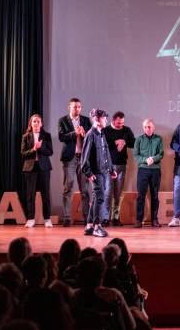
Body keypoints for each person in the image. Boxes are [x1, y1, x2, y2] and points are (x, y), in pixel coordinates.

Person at [57, 98, 92, 227]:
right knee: (68, 188)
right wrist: (74, 133)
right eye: (74, 107)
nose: (76, 109)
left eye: (79, 107)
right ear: (69, 107)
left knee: (85, 190)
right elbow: (61, 137)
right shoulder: (63, 120)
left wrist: (83, 134)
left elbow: (90, 137)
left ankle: (87, 218)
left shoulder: (86, 120)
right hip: (69, 158)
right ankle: (67, 218)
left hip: (83, 158)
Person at [81, 109, 116, 237]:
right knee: (100, 197)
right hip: (95, 172)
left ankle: (89, 225)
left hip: (103, 171)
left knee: (97, 197)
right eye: (104, 118)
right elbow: (84, 158)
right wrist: (89, 173)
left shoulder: (101, 134)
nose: (106, 120)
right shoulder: (91, 135)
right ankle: (97, 226)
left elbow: (106, 153)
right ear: (96, 119)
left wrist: (111, 169)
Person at [20, 114, 54, 228]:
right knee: (30, 195)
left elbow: (50, 152)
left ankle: (47, 219)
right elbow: (23, 153)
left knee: (45, 195)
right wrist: (33, 149)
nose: (36, 123)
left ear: (41, 124)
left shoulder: (46, 136)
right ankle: (30, 219)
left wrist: (41, 147)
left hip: (44, 168)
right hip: (30, 168)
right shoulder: (26, 136)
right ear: (31, 123)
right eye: (34, 121)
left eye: (38, 121)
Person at [103, 111, 135, 226]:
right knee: (108, 192)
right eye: (118, 123)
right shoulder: (105, 131)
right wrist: (115, 142)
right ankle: (105, 218)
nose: (120, 125)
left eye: (122, 123)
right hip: (108, 165)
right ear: (113, 121)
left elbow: (133, 143)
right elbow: (102, 146)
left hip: (122, 165)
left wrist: (124, 141)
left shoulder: (127, 130)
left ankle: (116, 218)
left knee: (118, 193)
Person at [133, 118, 164, 228]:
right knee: (141, 195)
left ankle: (154, 220)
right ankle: (138, 220)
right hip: (143, 170)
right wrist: (146, 160)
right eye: (145, 127)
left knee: (154, 196)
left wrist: (153, 159)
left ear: (153, 127)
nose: (147, 129)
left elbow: (161, 154)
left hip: (155, 170)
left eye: (149, 127)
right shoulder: (139, 139)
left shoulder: (158, 139)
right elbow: (136, 155)